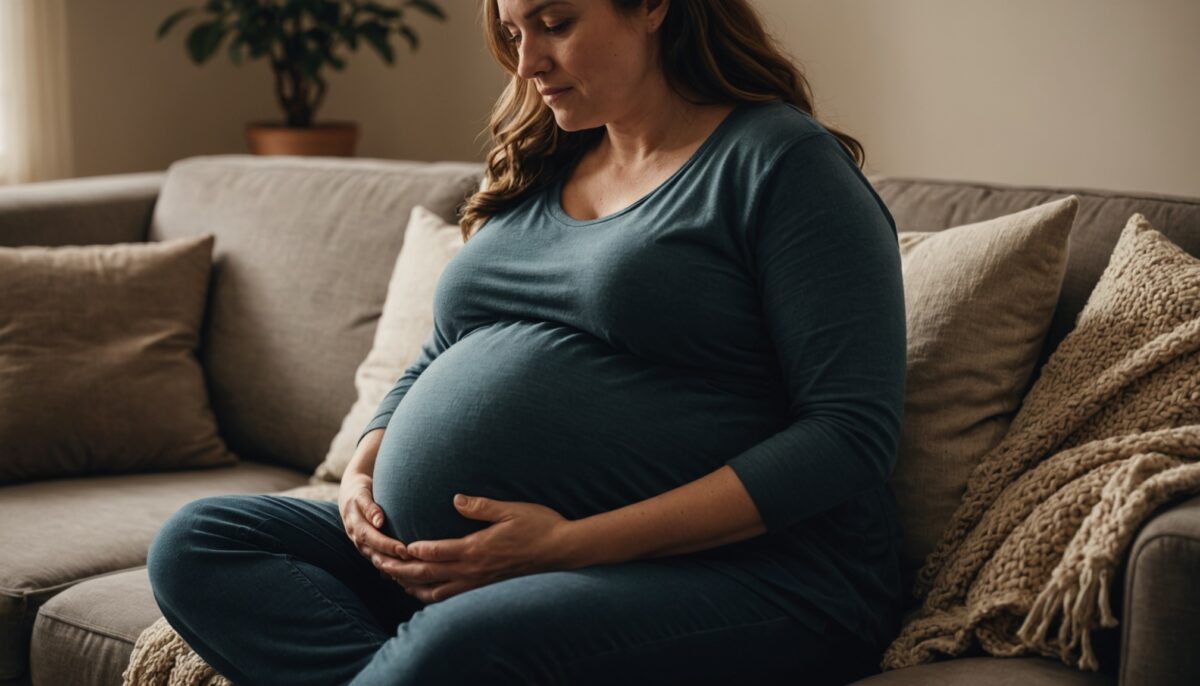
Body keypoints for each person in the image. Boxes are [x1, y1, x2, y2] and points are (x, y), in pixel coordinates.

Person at [146, 0, 908, 684]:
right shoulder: (544, 164)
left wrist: (569, 546)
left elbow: (846, 436)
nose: (526, 61)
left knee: (455, 648)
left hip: (757, 576)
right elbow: (440, 351)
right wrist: (363, 471)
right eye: (513, 33)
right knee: (200, 543)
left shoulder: (779, 161)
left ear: (652, 7)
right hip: (472, 565)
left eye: (555, 23)